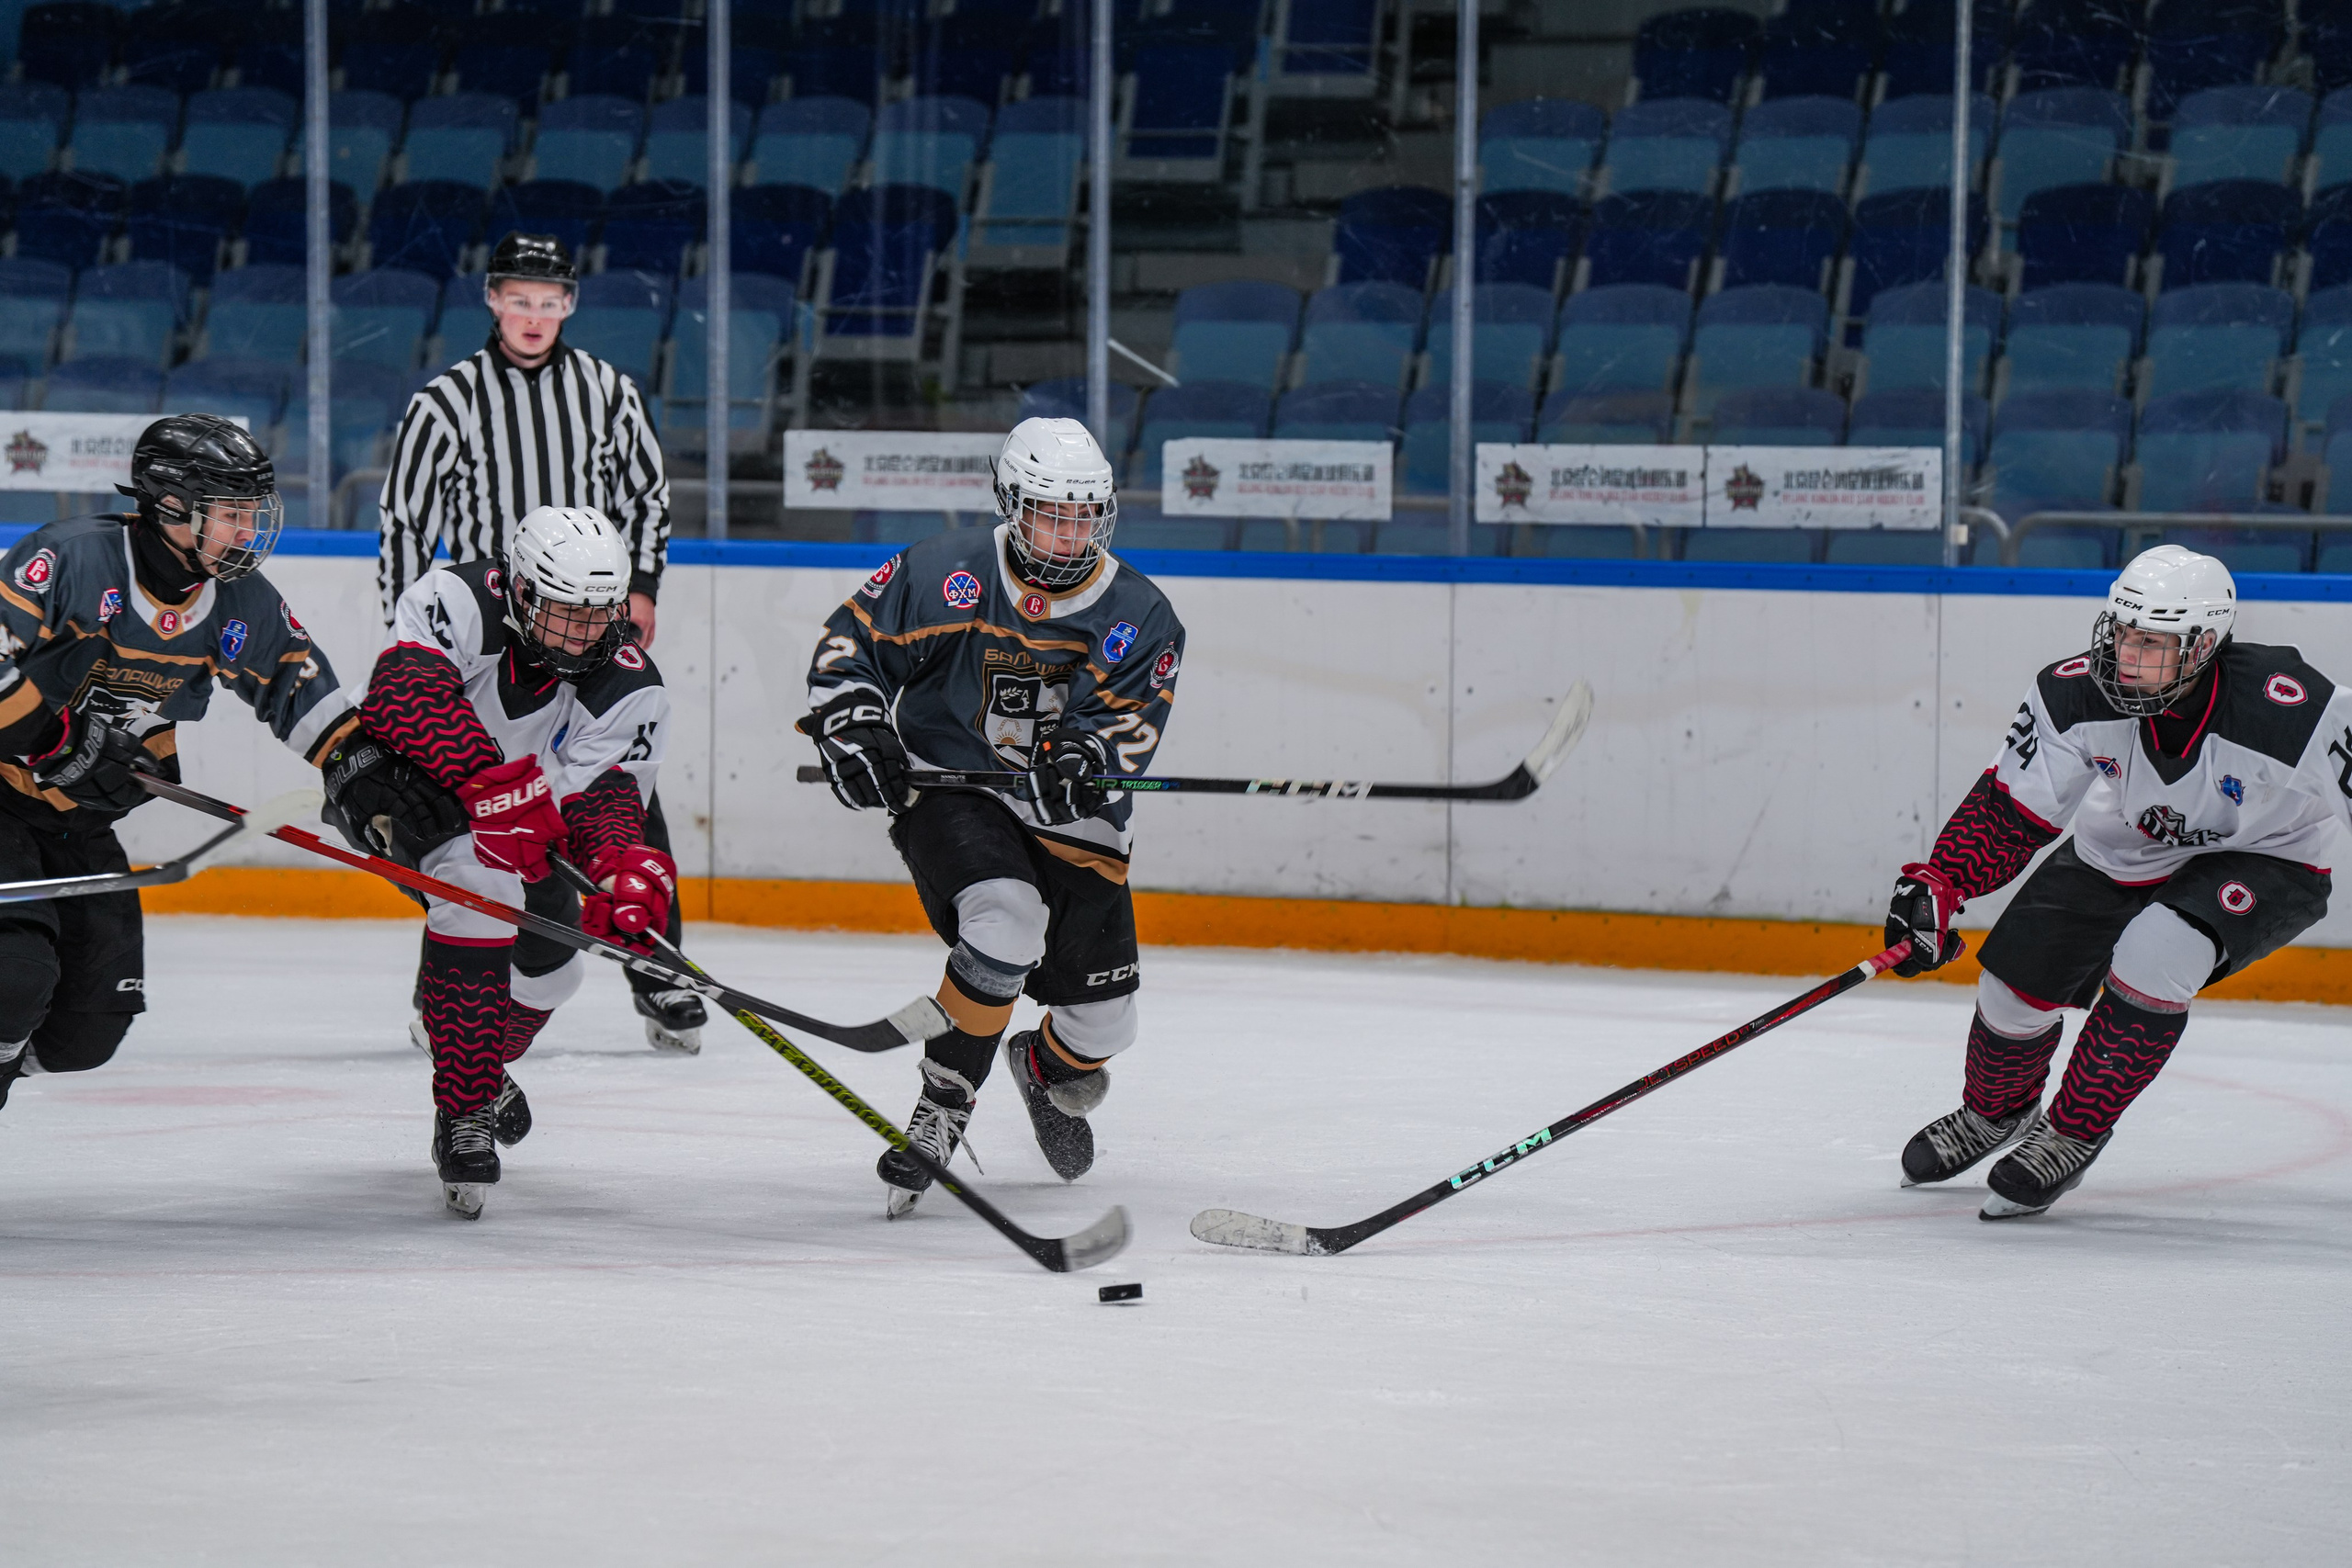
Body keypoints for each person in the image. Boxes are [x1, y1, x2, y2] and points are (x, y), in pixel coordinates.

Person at [1884, 545, 2352, 1219]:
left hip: (2269, 855)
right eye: (2123, 633)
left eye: (2152, 643)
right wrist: (1941, 882)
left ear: (2204, 646)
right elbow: (2011, 809)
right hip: (2125, 847)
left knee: (2155, 952)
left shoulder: (2292, 709)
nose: (2127, 655)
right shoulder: (2071, 692)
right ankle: (1996, 1112)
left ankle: (2071, 1133)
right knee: (2011, 990)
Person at [802, 417, 1186, 1216]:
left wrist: (1084, 757)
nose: (1069, 534)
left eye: (1084, 516)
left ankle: (1040, 1068)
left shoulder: (1143, 614)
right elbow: (850, 646)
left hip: (1071, 823)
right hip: (955, 788)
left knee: (1102, 1028)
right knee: (1005, 919)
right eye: (1052, 515)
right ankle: (944, 1100)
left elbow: (1125, 725)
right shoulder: (942, 572)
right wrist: (855, 726)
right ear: (1011, 504)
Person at [375, 230, 702, 1052]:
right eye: (518, 298)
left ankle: (659, 967)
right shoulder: (446, 400)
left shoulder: (607, 391)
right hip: (489, 641)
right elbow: (406, 522)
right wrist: (416, 640)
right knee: (461, 817)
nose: (532, 314)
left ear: (570, 305)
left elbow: (648, 495)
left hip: (588, 625)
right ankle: (445, 980)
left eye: (548, 301)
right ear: (492, 299)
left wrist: (641, 587)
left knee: (623, 794)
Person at [0, 415, 358, 1111]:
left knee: (88, 1030)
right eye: (231, 514)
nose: (247, 531)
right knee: (13, 977)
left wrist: (361, 771)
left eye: (251, 513)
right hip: (2, 799)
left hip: (79, 823)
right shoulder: (70, 559)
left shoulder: (238, 598)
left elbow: (298, 684)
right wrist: (54, 737)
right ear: (172, 506)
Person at [327, 505, 675, 1218]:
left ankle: (464, 1044)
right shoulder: (456, 597)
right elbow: (406, 698)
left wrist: (617, 869)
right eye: (566, 612)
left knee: (556, 970)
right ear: (519, 589)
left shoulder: (633, 684)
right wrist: (493, 785)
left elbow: (605, 796)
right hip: (405, 785)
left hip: (516, 815)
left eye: (598, 614)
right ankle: (465, 1109)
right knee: (481, 889)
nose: (583, 633)